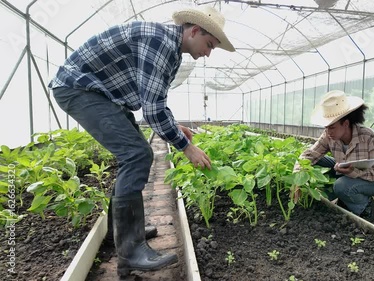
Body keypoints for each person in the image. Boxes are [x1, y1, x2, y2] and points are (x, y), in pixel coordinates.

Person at [48, 6, 235, 277]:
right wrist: (186, 147)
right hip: (79, 88)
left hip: (101, 93)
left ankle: (122, 231)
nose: (208, 53)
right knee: (137, 155)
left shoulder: (170, 50)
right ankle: (131, 249)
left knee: (137, 152)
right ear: (194, 31)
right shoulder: (161, 43)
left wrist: (175, 127)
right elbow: (152, 112)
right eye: (209, 45)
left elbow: (155, 101)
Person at [293, 90, 374, 222]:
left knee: (341, 186)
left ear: (345, 124)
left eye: (332, 127)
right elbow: (310, 154)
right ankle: (344, 198)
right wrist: (297, 177)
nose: (328, 132)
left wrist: (353, 172)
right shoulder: (328, 135)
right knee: (317, 161)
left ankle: (366, 208)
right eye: (326, 127)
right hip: (348, 173)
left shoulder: (369, 137)